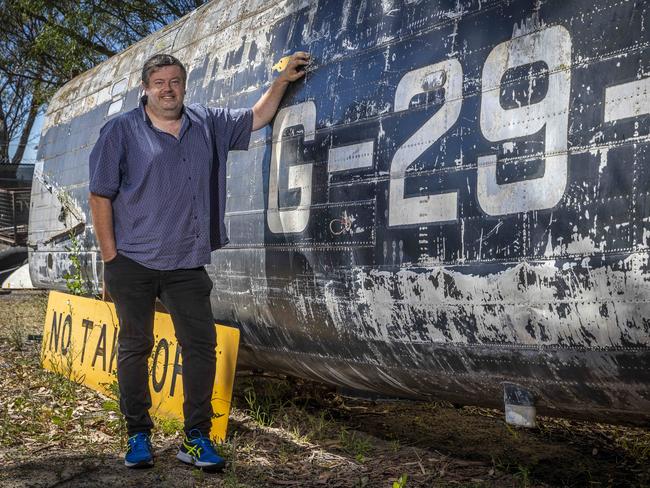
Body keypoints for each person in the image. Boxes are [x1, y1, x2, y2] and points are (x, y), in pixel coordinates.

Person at [88, 51, 309, 470]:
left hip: (187, 264)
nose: (167, 89)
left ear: (184, 85)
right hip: (133, 261)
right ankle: (137, 434)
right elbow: (100, 195)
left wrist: (281, 82)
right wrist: (110, 257)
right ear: (145, 89)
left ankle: (195, 438)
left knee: (202, 348)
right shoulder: (120, 131)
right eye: (159, 82)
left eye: (175, 81)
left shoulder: (206, 122)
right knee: (135, 346)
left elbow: (255, 118)